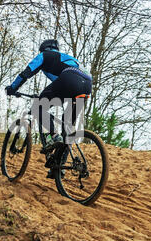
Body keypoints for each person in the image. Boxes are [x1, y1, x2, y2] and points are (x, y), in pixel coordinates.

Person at [5, 39, 92, 179]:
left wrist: (13, 88)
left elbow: (27, 72)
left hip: (70, 79)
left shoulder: (45, 55)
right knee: (67, 128)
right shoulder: (68, 58)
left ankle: (52, 136)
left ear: (43, 49)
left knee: (38, 106)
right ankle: (59, 168)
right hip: (87, 85)